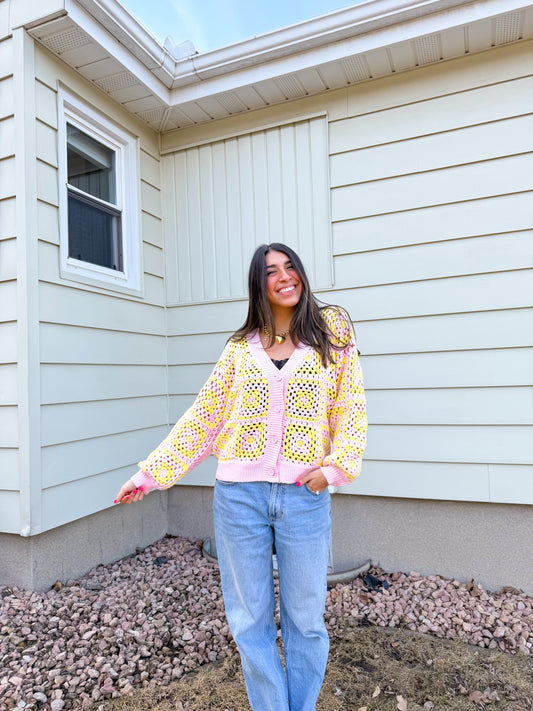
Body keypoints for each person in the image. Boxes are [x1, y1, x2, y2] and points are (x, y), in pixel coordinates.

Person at [114, 242, 367, 711]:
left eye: (291, 267)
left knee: (306, 620)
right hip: (238, 498)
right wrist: (149, 475)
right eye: (272, 271)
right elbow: (203, 419)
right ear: (259, 283)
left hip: (302, 497)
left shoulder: (333, 329)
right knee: (250, 622)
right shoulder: (239, 349)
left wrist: (332, 470)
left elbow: (350, 404)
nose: (285, 276)